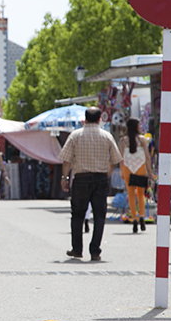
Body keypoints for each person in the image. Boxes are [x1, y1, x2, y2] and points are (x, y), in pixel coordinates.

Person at [59, 107, 122, 261]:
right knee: (99, 216)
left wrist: (64, 178)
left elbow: (66, 160)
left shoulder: (75, 136)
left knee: (78, 214)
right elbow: (115, 160)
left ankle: (77, 249)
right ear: (100, 119)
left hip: (81, 178)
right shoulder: (107, 136)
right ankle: (95, 251)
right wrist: (106, 174)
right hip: (100, 179)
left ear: (85, 119)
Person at [118, 117, 153, 233]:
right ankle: (142, 216)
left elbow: (121, 159)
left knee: (131, 195)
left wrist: (122, 171)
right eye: (139, 125)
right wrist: (150, 171)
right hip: (141, 168)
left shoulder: (122, 141)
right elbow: (147, 157)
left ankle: (134, 219)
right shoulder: (142, 139)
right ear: (135, 126)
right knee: (141, 194)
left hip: (128, 169)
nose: (140, 127)